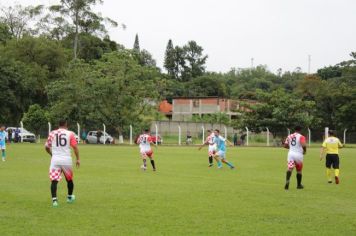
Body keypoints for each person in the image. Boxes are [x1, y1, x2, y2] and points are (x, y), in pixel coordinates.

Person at [45, 120, 80, 207]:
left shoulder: (52, 133)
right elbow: (75, 147)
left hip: (55, 159)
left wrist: (51, 154)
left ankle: (55, 201)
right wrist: (78, 159)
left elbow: (46, 147)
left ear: (58, 125)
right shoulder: (70, 134)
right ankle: (69, 197)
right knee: (69, 179)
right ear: (66, 125)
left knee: (54, 180)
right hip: (66, 159)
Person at [283, 126, 306, 190]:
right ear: (300, 130)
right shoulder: (301, 136)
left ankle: (287, 181)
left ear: (295, 130)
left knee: (290, 168)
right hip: (298, 154)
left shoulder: (289, 136)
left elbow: (285, 146)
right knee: (299, 170)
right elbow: (303, 145)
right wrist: (305, 150)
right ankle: (299, 185)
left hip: (291, 154)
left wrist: (291, 148)